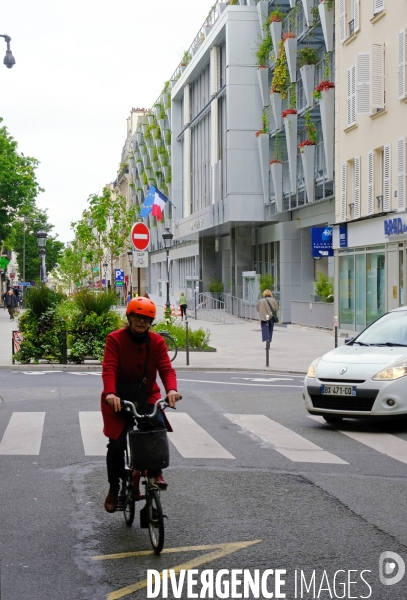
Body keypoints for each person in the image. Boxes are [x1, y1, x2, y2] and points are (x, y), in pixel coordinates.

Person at [101, 296, 181, 513]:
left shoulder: (157, 342)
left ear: (151, 322)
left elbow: (166, 369)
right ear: (129, 317)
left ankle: (155, 473)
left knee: (156, 427)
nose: (141, 322)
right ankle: (114, 486)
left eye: (146, 319)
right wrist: (110, 393)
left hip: (145, 395)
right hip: (118, 398)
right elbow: (109, 368)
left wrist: (171, 389)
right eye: (137, 317)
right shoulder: (115, 339)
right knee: (116, 446)